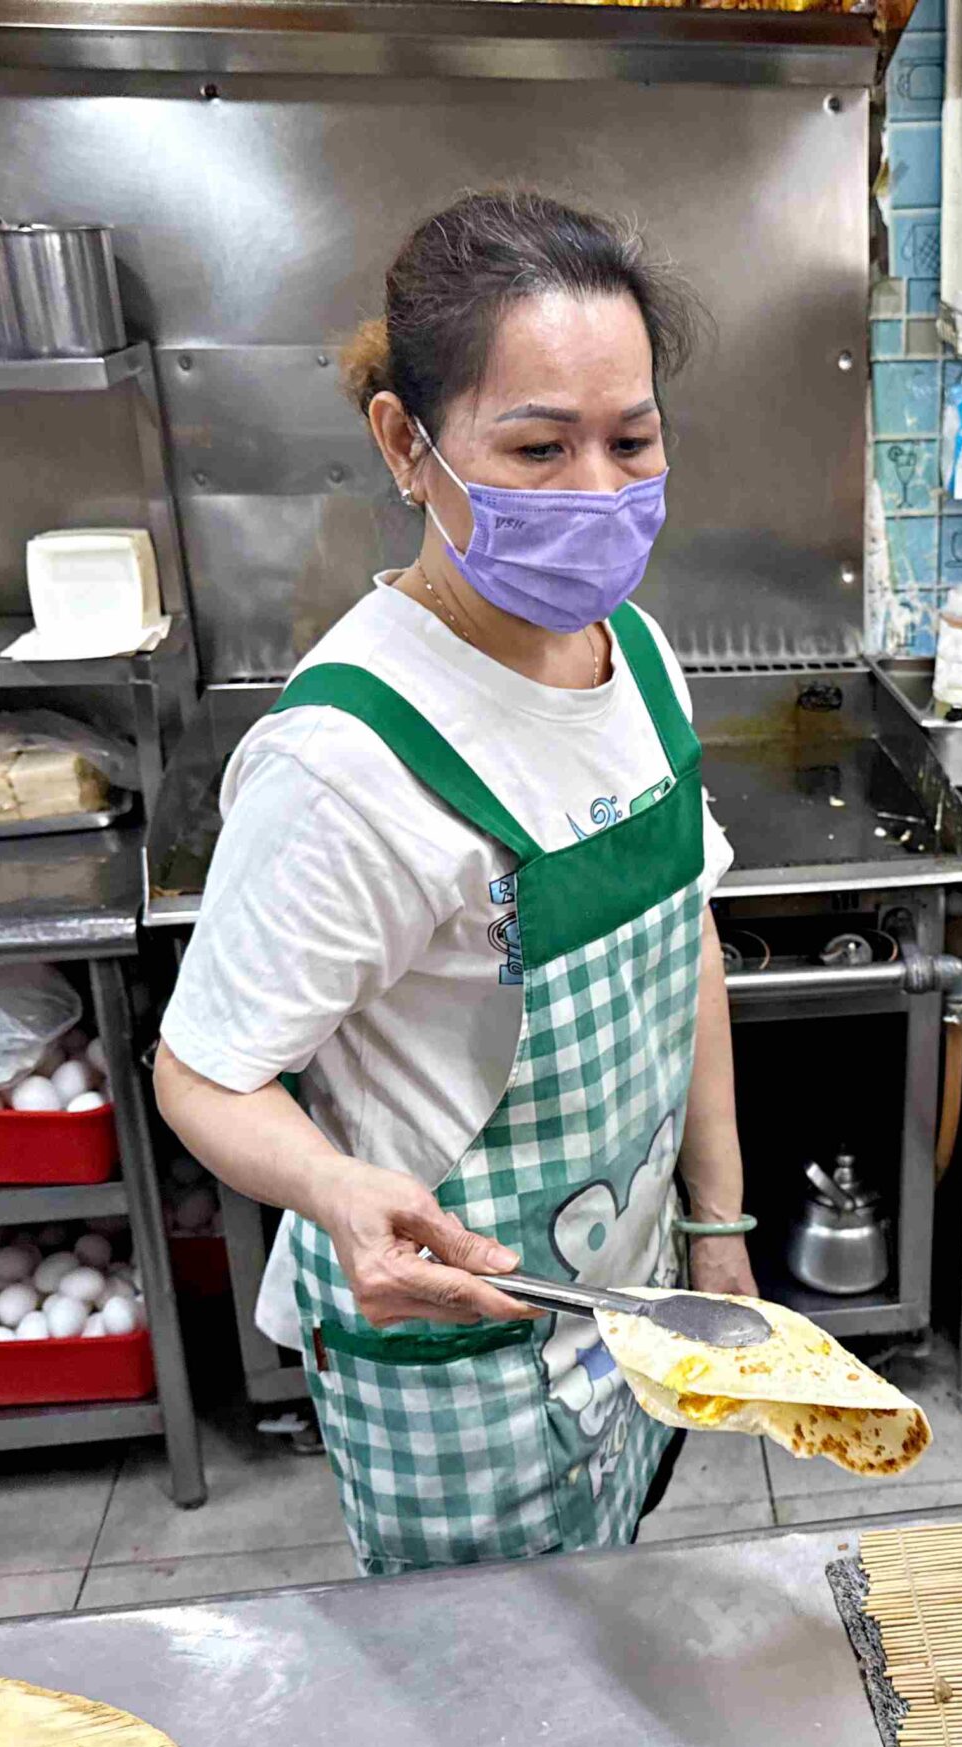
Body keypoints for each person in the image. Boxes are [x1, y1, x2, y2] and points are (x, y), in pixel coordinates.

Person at [156, 191, 753, 1573]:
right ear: (405, 446)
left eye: (632, 441)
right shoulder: (347, 758)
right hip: (458, 1354)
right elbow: (201, 1076)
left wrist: (716, 1226)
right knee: (493, 1681)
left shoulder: (635, 655)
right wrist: (332, 1190)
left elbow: (687, 947)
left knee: (617, 1600)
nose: (599, 492)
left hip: (630, 1294)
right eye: (539, 448)